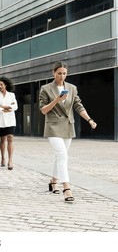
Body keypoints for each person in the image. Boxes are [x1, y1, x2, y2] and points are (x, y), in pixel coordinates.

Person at [39, 61, 97, 202]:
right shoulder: (45, 88)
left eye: (64, 73)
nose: (62, 76)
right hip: (53, 126)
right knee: (62, 155)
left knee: (60, 156)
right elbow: (43, 110)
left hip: (67, 126)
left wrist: (89, 120)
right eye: (59, 73)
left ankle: (53, 181)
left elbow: (78, 106)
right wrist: (57, 100)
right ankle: (67, 188)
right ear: (54, 73)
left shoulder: (72, 88)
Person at [0, 76, 18, 170]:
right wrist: (8, 108)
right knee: (3, 139)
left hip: (11, 120)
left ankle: (10, 161)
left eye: (1, 84)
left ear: (5, 85)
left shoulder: (11, 95)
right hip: (1, 121)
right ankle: (3, 158)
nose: (0, 86)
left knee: (10, 138)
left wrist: (3, 106)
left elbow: (15, 107)